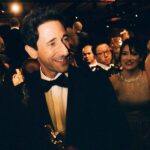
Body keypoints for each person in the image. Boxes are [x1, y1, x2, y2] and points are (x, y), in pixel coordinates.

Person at [13, 6, 131, 150]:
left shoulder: (96, 82)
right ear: (32, 51)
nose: (65, 50)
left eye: (65, 39)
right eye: (52, 43)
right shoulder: (21, 92)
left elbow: (120, 136)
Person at [110, 38, 150, 150]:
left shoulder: (148, 78)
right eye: (124, 54)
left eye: (134, 54)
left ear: (141, 57)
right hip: (122, 133)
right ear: (120, 57)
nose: (128, 58)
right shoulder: (112, 81)